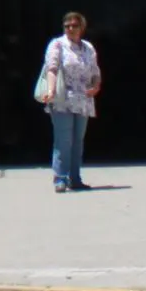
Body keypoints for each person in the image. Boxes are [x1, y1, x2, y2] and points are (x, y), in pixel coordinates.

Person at [38, 11, 101, 193]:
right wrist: (50, 90)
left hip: (83, 100)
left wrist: (96, 86)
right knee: (63, 140)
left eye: (74, 26)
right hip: (62, 99)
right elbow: (52, 68)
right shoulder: (57, 45)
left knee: (77, 140)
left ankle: (75, 178)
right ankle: (60, 178)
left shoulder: (88, 48)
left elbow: (95, 71)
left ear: (82, 28)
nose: (70, 29)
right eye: (67, 26)